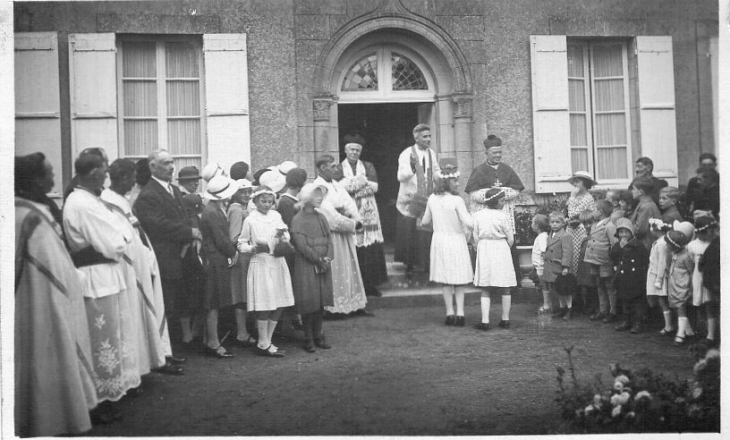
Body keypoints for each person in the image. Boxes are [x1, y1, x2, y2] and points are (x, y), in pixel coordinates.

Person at [15, 153, 98, 436]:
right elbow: (55, 266)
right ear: (34, 180)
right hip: (43, 302)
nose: (53, 179)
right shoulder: (30, 218)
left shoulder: (29, 210)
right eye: (48, 174)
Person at [63, 150, 142, 422]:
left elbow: (120, 233)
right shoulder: (81, 202)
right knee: (101, 340)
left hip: (107, 274)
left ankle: (113, 390)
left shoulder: (89, 199)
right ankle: (99, 397)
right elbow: (114, 241)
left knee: (113, 334)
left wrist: (119, 236)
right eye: (105, 170)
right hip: (95, 276)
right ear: (95, 171)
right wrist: (119, 237)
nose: (107, 176)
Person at [101, 159, 182, 375]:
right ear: (123, 177)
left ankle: (160, 355)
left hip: (144, 260)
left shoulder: (122, 199)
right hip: (131, 266)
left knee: (155, 308)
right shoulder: (108, 201)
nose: (134, 182)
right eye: (131, 177)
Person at [135, 150, 203, 350]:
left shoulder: (173, 189)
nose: (171, 167)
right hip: (164, 257)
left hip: (181, 256)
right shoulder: (148, 194)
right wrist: (188, 231)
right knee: (166, 303)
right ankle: (164, 351)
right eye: (165, 163)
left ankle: (174, 347)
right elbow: (157, 225)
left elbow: (185, 215)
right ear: (153, 167)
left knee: (179, 300)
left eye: (172, 162)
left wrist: (192, 229)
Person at [237, 186, 296, 357]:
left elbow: (286, 234)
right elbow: (241, 243)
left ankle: (266, 341)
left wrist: (283, 237)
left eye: (270, 201)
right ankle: (263, 341)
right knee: (266, 302)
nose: (267, 204)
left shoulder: (276, 216)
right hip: (261, 263)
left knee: (280, 302)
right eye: (263, 201)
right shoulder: (250, 220)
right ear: (255, 201)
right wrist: (253, 248)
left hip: (278, 262)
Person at [313, 154, 372, 317]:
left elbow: (350, 204)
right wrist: (351, 223)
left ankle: (353, 304)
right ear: (323, 168)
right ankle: (336, 308)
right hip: (332, 236)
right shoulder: (318, 187)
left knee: (349, 266)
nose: (336, 169)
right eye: (332, 166)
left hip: (346, 234)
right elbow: (329, 215)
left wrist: (355, 219)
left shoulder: (337, 185)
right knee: (336, 268)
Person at [465, 134, 525, 285]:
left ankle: (511, 282)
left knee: (506, 244)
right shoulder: (478, 171)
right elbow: (473, 194)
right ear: (486, 153)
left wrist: (502, 191)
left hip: (503, 213)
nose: (498, 155)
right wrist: (491, 194)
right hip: (485, 215)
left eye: (499, 152)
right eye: (494, 153)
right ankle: (485, 282)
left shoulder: (507, 169)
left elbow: (516, 190)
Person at [421, 158, 473, 327]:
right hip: (455, 240)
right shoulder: (457, 201)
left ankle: (450, 313)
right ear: (446, 183)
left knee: (446, 279)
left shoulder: (432, 199)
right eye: (454, 181)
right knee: (458, 278)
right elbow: (469, 222)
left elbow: (424, 221)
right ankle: (460, 314)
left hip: (440, 240)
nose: (458, 183)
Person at [290, 183, 335, 352]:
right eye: (317, 195)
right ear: (307, 197)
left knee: (320, 301)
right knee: (309, 301)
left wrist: (328, 257)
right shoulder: (297, 219)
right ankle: (308, 338)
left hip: (323, 264)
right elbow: (301, 245)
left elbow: (329, 239)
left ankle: (318, 335)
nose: (320, 199)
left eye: (322, 195)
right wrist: (318, 260)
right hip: (308, 265)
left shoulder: (321, 217)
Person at [340, 142, 388, 297]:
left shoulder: (368, 166)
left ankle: (370, 285)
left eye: (357, 150)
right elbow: (339, 187)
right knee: (353, 245)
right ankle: (353, 286)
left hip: (368, 212)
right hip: (349, 210)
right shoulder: (339, 168)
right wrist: (361, 181)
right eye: (351, 150)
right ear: (345, 151)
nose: (354, 152)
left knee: (370, 247)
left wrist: (352, 184)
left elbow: (374, 187)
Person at [200, 176, 240, 358]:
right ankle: (213, 342)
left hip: (215, 258)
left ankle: (210, 340)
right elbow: (220, 239)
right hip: (214, 259)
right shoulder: (213, 212)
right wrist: (233, 252)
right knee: (212, 302)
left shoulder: (213, 209)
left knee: (212, 302)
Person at [395, 124, 440, 276]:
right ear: (416, 138)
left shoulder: (431, 153)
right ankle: (409, 266)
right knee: (410, 233)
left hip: (427, 197)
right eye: (425, 136)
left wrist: (443, 176)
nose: (428, 139)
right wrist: (413, 168)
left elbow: (435, 171)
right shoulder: (406, 153)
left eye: (429, 136)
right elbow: (400, 176)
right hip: (411, 199)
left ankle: (426, 264)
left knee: (425, 232)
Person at [472, 189, 516, 330]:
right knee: (505, 285)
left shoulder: (477, 215)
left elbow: (475, 236)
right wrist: (503, 246)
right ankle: (505, 319)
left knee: (485, 285)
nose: (504, 203)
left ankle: (485, 321)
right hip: (501, 248)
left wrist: (481, 245)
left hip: (484, 248)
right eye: (502, 201)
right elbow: (510, 238)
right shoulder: (503, 216)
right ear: (495, 202)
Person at [228, 178, 257, 347]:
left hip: (247, 257)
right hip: (241, 258)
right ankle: (241, 332)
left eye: (248, 191)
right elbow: (234, 238)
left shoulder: (243, 209)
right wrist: (253, 240)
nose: (247, 194)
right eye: (242, 192)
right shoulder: (237, 210)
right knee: (241, 295)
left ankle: (244, 330)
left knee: (245, 295)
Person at [610, 218, 649, 334]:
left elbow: (644, 260)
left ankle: (638, 322)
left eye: (626, 232)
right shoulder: (617, 245)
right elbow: (613, 256)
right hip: (623, 276)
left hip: (636, 277)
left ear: (631, 232)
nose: (623, 235)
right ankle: (626, 320)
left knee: (637, 301)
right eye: (621, 232)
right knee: (625, 300)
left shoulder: (638, 245)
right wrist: (620, 248)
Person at [584, 200, 618, 323]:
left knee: (609, 286)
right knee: (599, 285)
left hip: (605, 261)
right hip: (595, 260)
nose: (592, 212)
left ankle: (612, 312)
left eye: (594, 209)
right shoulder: (595, 224)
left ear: (600, 211)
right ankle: (603, 309)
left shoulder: (609, 226)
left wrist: (613, 261)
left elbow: (615, 244)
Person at [687, 216, 718, 340]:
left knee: (710, 305)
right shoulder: (692, 245)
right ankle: (701, 330)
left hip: (710, 278)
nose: (712, 234)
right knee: (699, 304)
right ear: (698, 232)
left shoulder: (715, 244)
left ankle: (711, 335)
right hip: (697, 277)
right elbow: (689, 263)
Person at [666, 222, 696, 346]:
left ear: (675, 246)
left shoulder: (686, 256)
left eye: (669, 245)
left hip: (683, 286)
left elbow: (691, 272)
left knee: (681, 309)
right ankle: (689, 332)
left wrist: (691, 289)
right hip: (675, 285)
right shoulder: (675, 254)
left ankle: (680, 334)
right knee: (678, 308)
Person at [645, 218, 674, 336]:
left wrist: (659, 279)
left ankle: (669, 326)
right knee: (659, 300)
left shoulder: (662, 244)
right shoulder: (658, 242)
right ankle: (666, 323)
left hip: (659, 275)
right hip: (654, 273)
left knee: (663, 300)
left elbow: (662, 263)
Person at [543, 212, 574, 320]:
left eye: (557, 222)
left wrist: (565, 266)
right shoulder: (550, 235)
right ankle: (562, 308)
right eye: (552, 222)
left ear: (563, 223)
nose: (555, 224)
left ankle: (569, 309)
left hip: (560, 267)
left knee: (566, 290)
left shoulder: (565, 236)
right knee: (558, 289)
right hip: (552, 267)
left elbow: (567, 252)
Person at [574, 209, 598, 318]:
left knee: (594, 288)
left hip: (593, 268)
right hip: (585, 268)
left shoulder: (597, 237)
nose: (587, 226)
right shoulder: (585, 239)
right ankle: (587, 306)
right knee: (586, 288)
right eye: (585, 224)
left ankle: (595, 307)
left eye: (590, 223)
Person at [698, 229, 720, 347]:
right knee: (710, 306)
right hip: (712, 281)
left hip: (719, 280)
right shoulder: (715, 244)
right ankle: (711, 336)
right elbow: (703, 262)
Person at [630, 177, 661, 251]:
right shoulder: (644, 204)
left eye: (634, 189)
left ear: (640, 192)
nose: (632, 191)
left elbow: (639, 230)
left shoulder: (646, 207)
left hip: (645, 246)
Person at [684, 152, 716, 217]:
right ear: (700, 165)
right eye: (704, 165)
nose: (707, 168)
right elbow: (688, 200)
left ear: (714, 165)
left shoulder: (720, 181)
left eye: (710, 165)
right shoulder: (693, 182)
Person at [531, 214, 551, 314]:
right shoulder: (541, 236)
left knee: (545, 286)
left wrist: (542, 265)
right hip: (539, 267)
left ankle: (547, 305)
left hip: (542, 267)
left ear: (537, 226)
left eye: (532, 223)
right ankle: (546, 304)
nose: (531, 225)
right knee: (543, 286)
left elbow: (544, 251)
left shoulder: (542, 237)